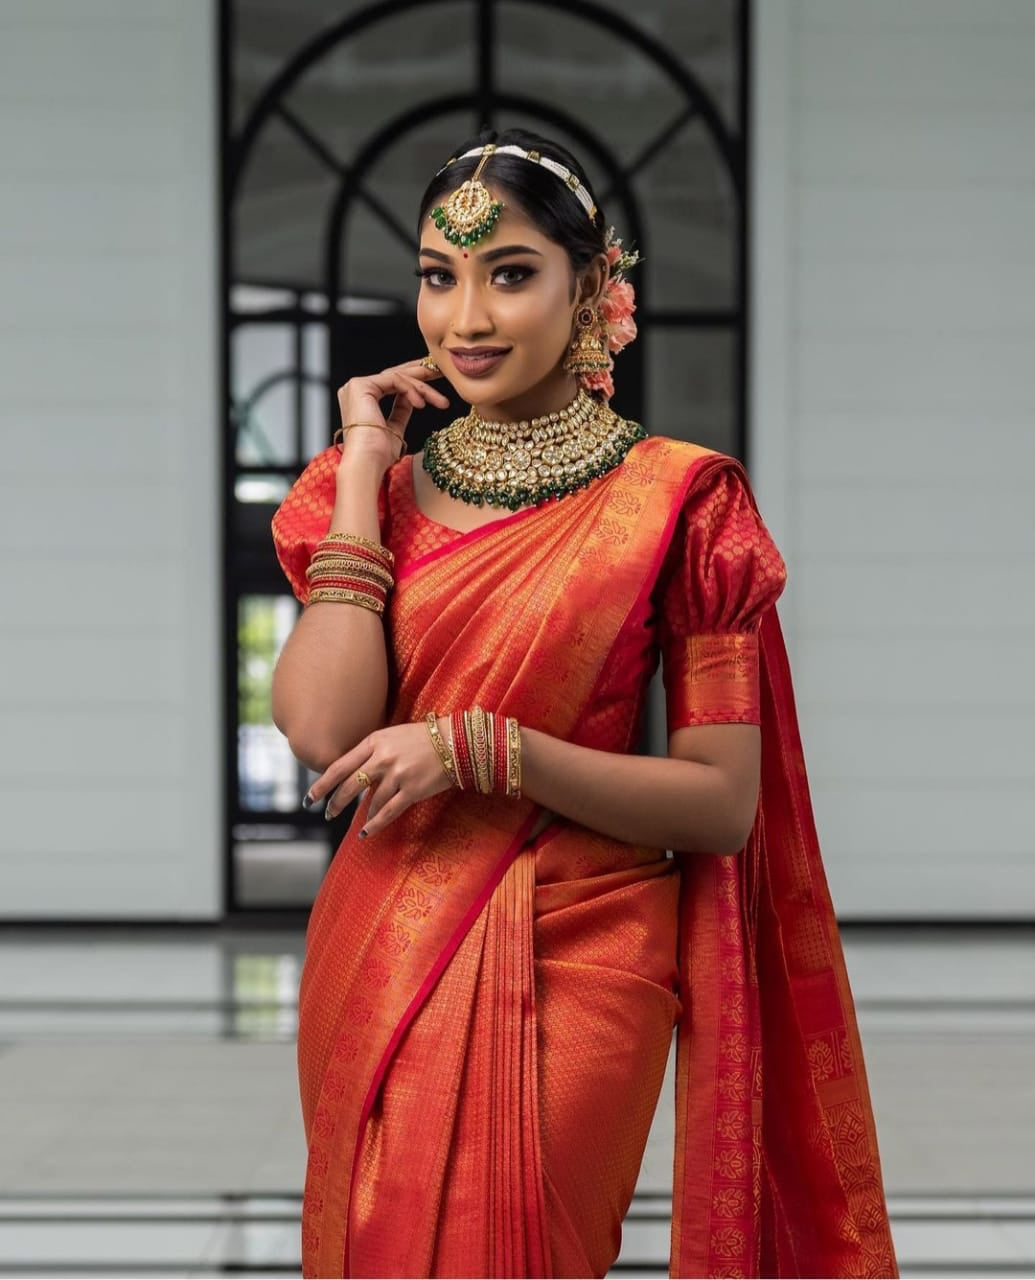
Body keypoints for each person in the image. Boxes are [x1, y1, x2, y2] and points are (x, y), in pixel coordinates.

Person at [269, 127, 899, 1280]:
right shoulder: (369, 496)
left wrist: (488, 748)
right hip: (380, 943)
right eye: (436, 274)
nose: (464, 317)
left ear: (596, 287)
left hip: (579, 948)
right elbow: (322, 729)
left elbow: (718, 804)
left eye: (510, 274)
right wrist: (363, 466)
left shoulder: (679, 504)